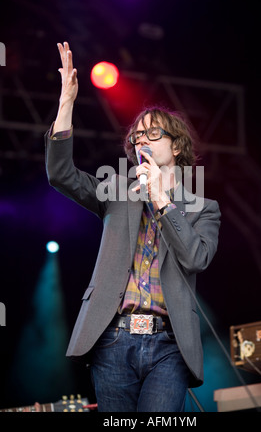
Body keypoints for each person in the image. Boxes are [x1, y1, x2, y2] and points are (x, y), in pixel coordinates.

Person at [45, 42, 221, 412]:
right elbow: (61, 174)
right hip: (113, 341)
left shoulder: (204, 208)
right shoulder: (116, 193)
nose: (141, 139)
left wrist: (161, 199)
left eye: (152, 134)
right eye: (137, 136)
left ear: (176, 148)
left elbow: (195, 258)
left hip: (169, 346)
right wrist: (66, 104)